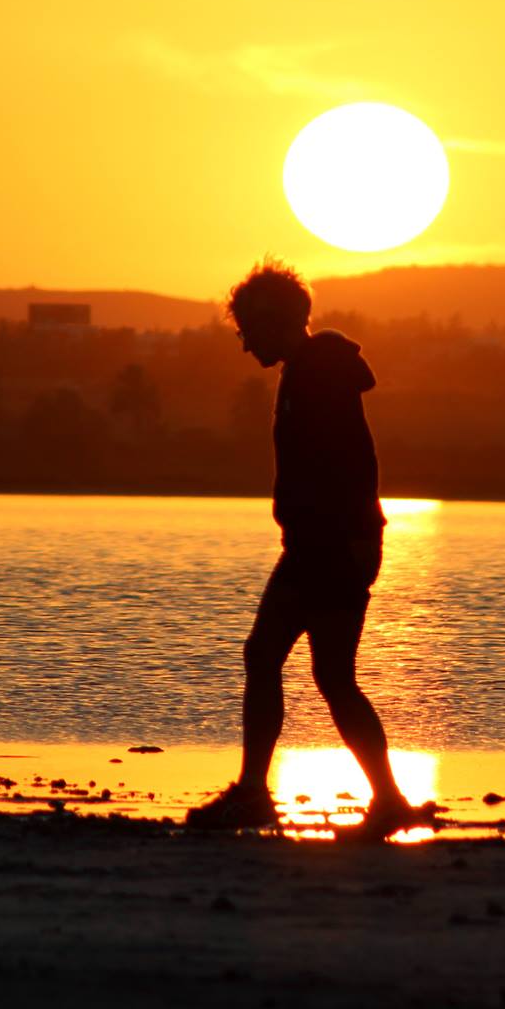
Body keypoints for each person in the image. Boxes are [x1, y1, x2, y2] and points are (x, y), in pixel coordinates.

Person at [184, 259, 432, 841]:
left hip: (329, 545)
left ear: (276, 322)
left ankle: (253, 794)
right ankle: (385, 799)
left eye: (249, 331)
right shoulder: (309, 369)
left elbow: (350, 463)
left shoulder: (318, 371)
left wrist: (343, 543)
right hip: (329, 541)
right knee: (325, 674)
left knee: (270, 655)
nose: (245, 346)